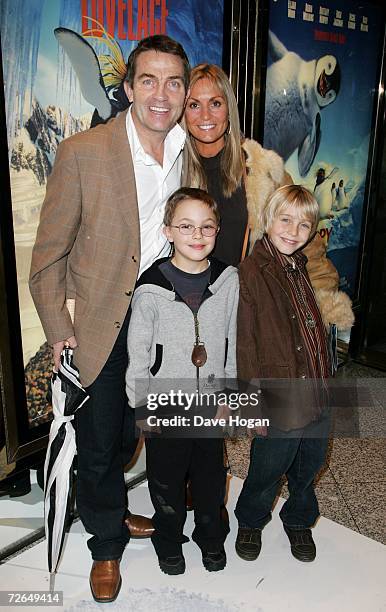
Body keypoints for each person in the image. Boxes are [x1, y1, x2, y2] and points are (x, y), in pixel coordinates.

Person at [29, 35, 190, 603]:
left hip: (159, 321)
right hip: (100, 321)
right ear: (128, 88)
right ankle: (104, 544)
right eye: (148, 80)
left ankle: (114, 509)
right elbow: (46, 258)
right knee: (98, 444)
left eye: (174, 82)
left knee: (130, 435)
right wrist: (58, 329)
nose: (161, 94)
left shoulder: (186, 153)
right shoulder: (83, 152)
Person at [183, 64, 354, 328]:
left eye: (215, 103)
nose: (205, 114)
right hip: (186, 312)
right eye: (194, 105)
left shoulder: (265, 171)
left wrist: (325, 302)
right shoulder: (170, 169)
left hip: (246, 316)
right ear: (182, 111)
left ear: (229, 108)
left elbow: (307, 243)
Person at [126, 187, 238, 575]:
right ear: (168, 231)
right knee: (167, 482)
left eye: (207, 226)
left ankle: (211, 539)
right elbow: (137, 355)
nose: (197, 235)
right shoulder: (150, 287)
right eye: (186, 226)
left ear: (217, 230)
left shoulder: (228, 280)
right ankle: (169, 540)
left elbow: (232, 341)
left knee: (209, 479)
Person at [235, 184, 334, 563]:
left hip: (317, 389)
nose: (293, 231)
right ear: (268, 219)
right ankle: (251, 519)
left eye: (304, 225)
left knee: (311, 462)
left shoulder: (299, 265)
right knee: (269, 466)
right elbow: (245, 345)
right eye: (285, 220)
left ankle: (298, 519)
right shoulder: (250, 273)